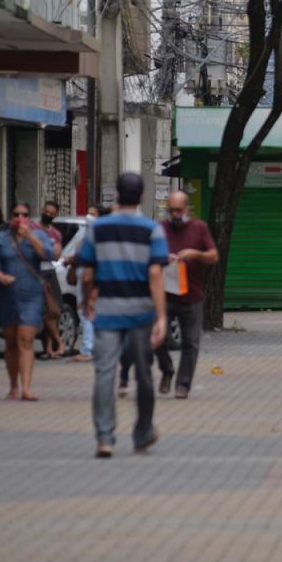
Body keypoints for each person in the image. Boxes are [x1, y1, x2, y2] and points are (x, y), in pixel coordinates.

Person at [79, 173, 169, 459]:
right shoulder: (152, 229)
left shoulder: (98, 229)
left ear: (116, 195)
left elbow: (88, 271)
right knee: (143, 373)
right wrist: (162, 316)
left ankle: (105, 438)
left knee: (105, 373)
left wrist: (86, 300)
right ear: (142, 196)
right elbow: (155, 273)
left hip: (107, 310)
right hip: (140, 311)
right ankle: (142, 432)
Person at [0, 202, 54, 402]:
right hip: (7, 294)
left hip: (31, 295)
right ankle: (13, 386)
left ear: (29, 217)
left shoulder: (38, 236)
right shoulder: (0, 238)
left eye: (24, 214)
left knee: (26, 340)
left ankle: (27, 388)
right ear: (11, 216)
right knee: (12, 341)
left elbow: (48, 254)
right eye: (16, 214)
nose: (19, 218)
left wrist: (30, 235)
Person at [154, 191, 219, 399]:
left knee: (191, 341)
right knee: (158, 338)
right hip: (165, 294)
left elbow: (214, 255)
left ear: (187, 209)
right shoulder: (161, 229)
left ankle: (183, 384)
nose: (174, 214)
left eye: (178, 210)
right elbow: (148, 256)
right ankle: (167, 370)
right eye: (171, 210)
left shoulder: (199, 228)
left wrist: (195, 254)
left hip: (192, 295)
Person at [67, 205, 102, 362]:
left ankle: (88, 349)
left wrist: (73, 259)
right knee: (86, 312)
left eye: (93, 214)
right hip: (85, 276)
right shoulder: (86, 236)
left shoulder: (97, 236)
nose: (89, 217)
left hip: (90, 277)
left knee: (86, 311)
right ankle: (92, 347)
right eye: (88, 213)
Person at [38, 201, 66, 359]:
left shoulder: (55, 233)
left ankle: (50, 346)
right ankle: (56, 343)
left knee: (55, 310)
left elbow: (56, 254)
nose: (48, 215)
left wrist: (44, 250)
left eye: (51, 213)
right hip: (36, 272)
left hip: (49, 271)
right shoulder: (33, 229)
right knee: (45, 311)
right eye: (46, 211)